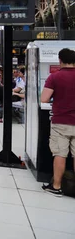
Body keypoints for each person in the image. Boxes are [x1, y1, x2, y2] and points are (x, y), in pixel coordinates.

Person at [40, 48, 75, 197]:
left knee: (60, 154)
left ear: (60, 60)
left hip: (61, 121)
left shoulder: (54, 77)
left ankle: (56, 186)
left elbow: (44, 99)